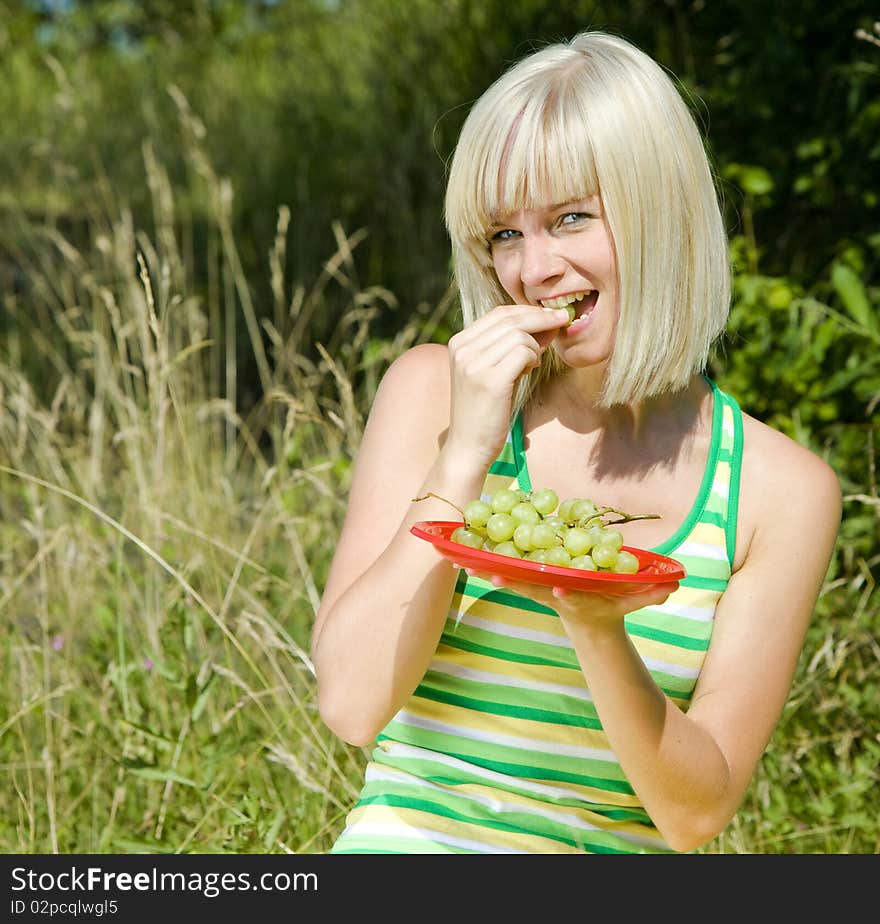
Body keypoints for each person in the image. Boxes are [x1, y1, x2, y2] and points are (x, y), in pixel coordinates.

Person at [310, 30, 842, 854]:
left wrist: (599, 626)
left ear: (660, 215)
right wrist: (464, 458)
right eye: (505, 236)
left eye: (569, 219)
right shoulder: (433, 393)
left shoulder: (781, 491)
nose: (535, 269)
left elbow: (696, 814)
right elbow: (349, 705)